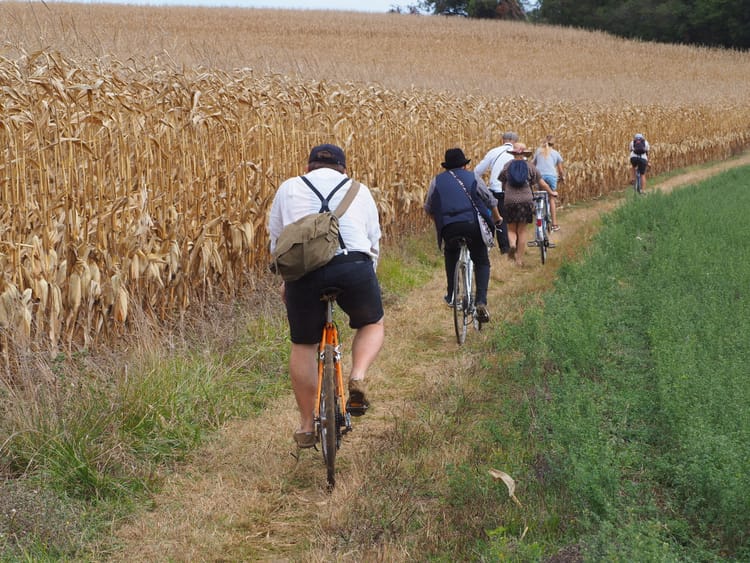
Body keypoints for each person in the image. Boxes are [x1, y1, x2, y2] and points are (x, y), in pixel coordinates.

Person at [268, 143, 384, 449]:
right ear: (343, 169)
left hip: (304, 274)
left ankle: (307, 425)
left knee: (303, 344)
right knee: (372, 323)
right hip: (353, 265)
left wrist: (286, 280)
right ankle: (357, 375)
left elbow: (278, 240)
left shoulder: (289, 187)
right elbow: (373, 240)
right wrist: (368, 275)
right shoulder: (359, 190)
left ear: (308, 168)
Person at [424, 147, 503, 323]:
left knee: (451, 253)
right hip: (472, 225)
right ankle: (481, 301)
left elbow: (428, 208)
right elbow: (490, 200)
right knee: (481, 260)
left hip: (449, 227)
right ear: (464, 165)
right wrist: (497, 219)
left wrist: (440, 224)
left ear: (446, 167)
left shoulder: (436, 181)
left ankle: (452, 294)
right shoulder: (473, 177)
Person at [498, 142, 553, 267]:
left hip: (510, 200)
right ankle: (519, 260)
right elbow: (541, 183)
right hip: (526, 200)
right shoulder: (530, 166)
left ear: (513, 153)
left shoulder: (507, 166)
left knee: (511, 228)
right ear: (524, 154)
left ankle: (512, 245)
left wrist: (506, 191)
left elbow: (502, 182)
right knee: (522, 231)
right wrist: (551, 192)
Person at [473, 131, 518, 253]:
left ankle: (505, 248)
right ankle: (516, 246)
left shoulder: (493, 152)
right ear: (515, 142)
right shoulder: (519, 154)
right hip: (514, 191)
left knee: (500, 219)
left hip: (497, 190)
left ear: (502, 140)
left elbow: (477, 172)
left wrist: (482, 187)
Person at [531, 134, 564, 231]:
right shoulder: (556, 153)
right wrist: (562, 177)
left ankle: (537, 211)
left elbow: (533, 164)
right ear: (553, 143)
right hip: (551, 177)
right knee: (551, 198)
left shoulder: (538, 152)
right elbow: (560, 170)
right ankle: (554, 224)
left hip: (539, 176)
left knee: (540, 195)